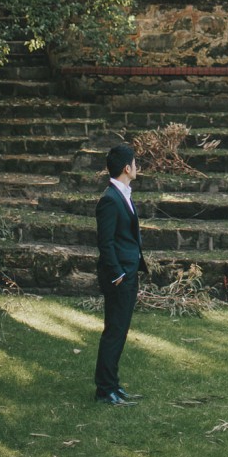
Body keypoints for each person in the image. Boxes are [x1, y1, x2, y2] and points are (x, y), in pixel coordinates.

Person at [94, 143, 148, 406]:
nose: (138, 167)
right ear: (127, 168)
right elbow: (105, 243)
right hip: (119, 277)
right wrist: (118, 275)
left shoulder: (124, 194)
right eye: (135, 163)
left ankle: (112, 384)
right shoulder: (109, 199)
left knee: (120, 330)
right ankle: (105, 389)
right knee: (114, 331)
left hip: (128, 272)